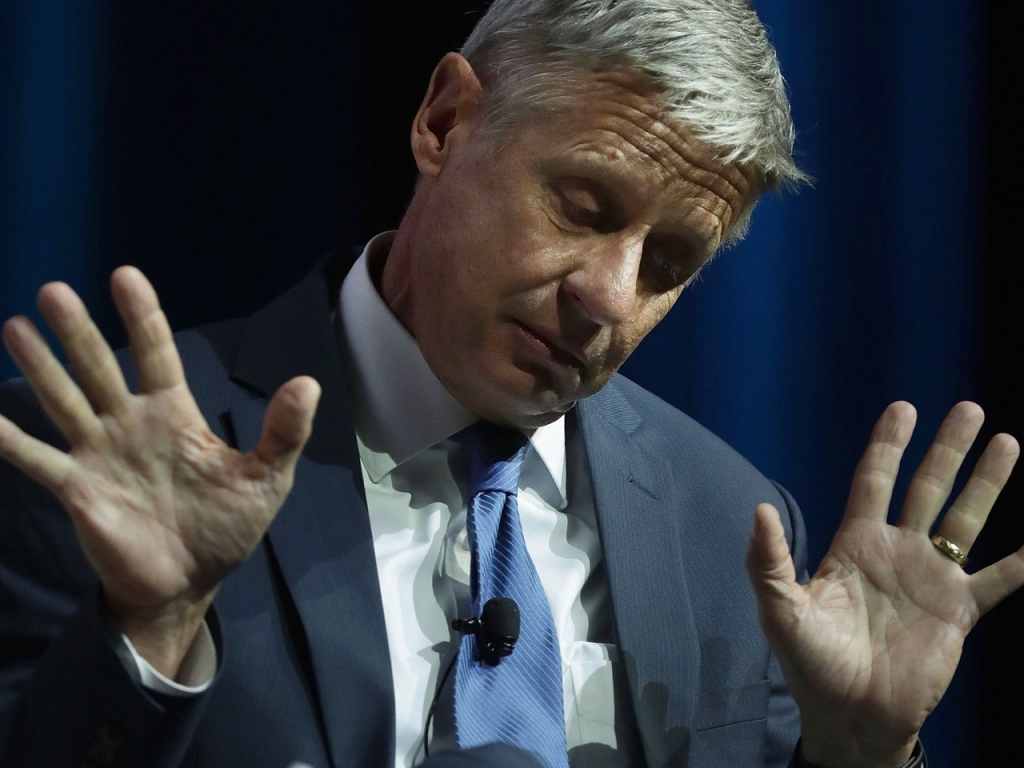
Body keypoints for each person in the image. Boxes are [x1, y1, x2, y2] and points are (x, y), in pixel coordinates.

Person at [0, 1, 1019, 767]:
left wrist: (856, 754)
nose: (610, 296)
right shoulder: (93, 458)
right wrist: (149, 629)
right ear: (444, 121)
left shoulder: (735, 530)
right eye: (582, 205)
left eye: (668, 263)